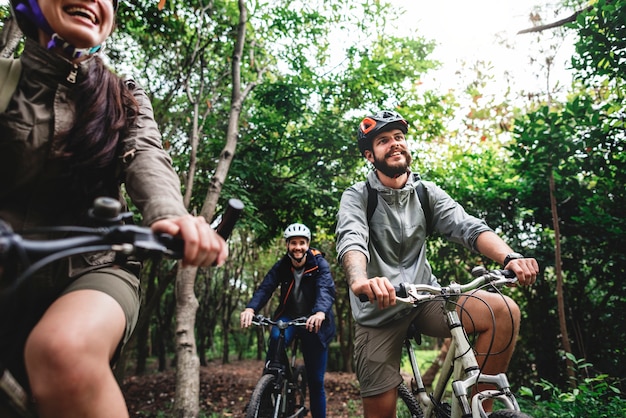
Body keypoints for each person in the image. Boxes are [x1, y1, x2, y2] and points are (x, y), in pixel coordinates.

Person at [0, 1, 228, 417]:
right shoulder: (4, 82)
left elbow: (146, 158)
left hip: (94, 267)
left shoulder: (122, 96)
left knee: (63, 351)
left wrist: (170, 215)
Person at [335, 110, 539, 418]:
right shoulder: (358, 197)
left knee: (505, 311)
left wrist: (510, 257)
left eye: (399, 138)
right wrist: (360, 281)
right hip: (378, 309)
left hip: (425, 299)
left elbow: (468, 226)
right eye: (383, 140)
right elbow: (352, 239)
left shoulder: (425, 193)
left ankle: (481, 409)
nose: (395, 144)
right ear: (369, 155)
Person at [241, 223, 336, 418]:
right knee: (275, 342)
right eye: (293, 243)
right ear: (287, 245)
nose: (298, 247)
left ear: (308, 245)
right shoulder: (283, 265)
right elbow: (266, 287)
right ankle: (266, 399)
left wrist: (319, 313)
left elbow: (325, 290)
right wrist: (250, 308)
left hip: (314, 322)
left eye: (302, 243)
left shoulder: (320, 264)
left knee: (316, 381)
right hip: (289, 316)